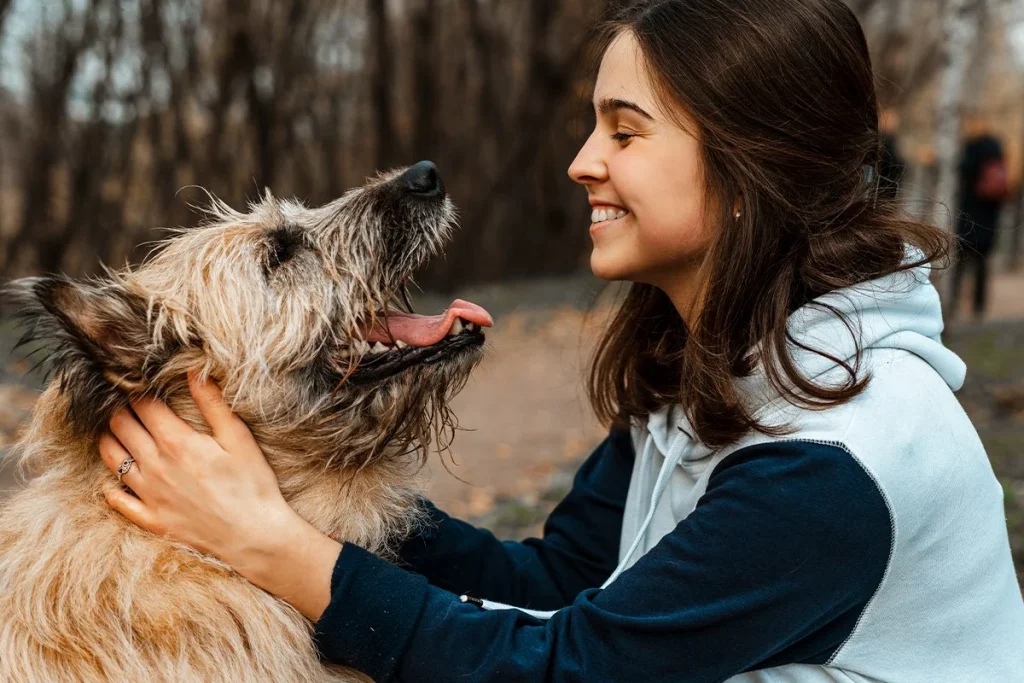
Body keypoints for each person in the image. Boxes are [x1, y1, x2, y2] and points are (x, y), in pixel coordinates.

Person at [98, 1, 1024, 681]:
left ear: (750, 167)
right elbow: (562, 579)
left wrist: (279, 548)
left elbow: (572, 668)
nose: (583, 162)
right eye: (593, 126)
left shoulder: (834, 459)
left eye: (625, 131)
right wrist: (300, 506)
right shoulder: (713, 361)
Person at [951, 113, 1008, 321]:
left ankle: (954, 300)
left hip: (970, 212)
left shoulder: (973, 148)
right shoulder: (996, 147)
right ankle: (979, 306)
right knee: (982, 263)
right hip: (989, 216)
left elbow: (964, 169)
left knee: (961, 260)